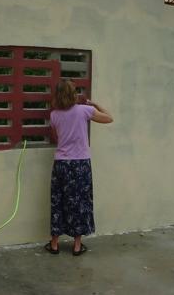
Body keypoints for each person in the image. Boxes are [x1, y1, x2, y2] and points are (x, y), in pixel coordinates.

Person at [45, 79, 113, 256]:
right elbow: (109, 118)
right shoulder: (85, 111)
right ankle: (76, 246)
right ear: (73, 94)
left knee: (58, 200)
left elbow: (56, 138)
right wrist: (96, 104)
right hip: (80, 164)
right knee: (80, 202)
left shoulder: (54, 115)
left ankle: (54, 244)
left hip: (61, 164)